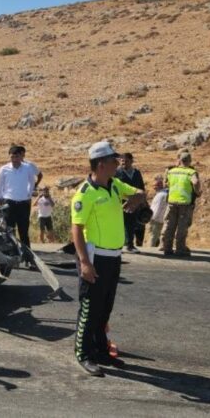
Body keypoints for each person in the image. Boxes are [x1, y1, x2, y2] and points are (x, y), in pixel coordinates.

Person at [71, 141, 146, 376]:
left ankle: (101, 350)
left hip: (114, 256)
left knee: (105, 307)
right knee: (90, 308)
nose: (118, 164)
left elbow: (141, 192)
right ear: (101, 165)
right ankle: (83, 353)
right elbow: (76, 229)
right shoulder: (85, 193)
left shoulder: (114, 185)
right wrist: (84, 263)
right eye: (114, 161)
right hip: (96, 257)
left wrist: (136, 200)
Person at [0, 145, 37, 265]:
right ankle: (13, 258)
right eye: (12, 157)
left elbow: (32, 181)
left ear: (21, 156)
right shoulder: (4, 169)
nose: (14, 159)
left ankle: (29, 258)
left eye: (16, 156)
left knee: (24, 231)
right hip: (9, 203)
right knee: (9, 232)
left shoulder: (27, 168)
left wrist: (28, 193)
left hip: (23, 203)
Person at [161, 151, 201, 257]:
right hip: (184, 203)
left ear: (180, 160)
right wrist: (197, 192)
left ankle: (167, 248)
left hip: (172, 202)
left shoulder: (172, 171)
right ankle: (180, 249)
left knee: (170, 225)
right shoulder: (191, 172)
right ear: (189, 161)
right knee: (181, 227)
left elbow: (165, 184)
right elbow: (196, 182)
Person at [115, 153, 146, 253]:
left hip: (134, 203)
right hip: (119, 203)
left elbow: (141, 187)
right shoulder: (117, 173)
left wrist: (142, 201)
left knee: (131, 224)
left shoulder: (136, 173)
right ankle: (117, 245)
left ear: (132, 161)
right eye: (122, 161)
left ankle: (130, 245)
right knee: (119, 224)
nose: (123, 163)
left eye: (126, 161)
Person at [149, 176, 168, 248]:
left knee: (153, 237)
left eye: (155, 185)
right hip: (162, 219)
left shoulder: (160, 195)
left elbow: (157, 209)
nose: (154, 187)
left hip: (156, 220)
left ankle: (151, 250)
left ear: (160, 185)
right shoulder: (164, 193)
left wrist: (151, 218)